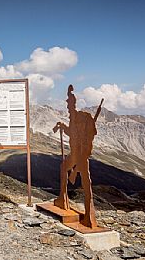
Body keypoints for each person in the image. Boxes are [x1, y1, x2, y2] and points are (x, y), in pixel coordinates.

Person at [53, 85, 103, 228]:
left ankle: (89, 214)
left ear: (73, 103)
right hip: (75, 153)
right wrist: (63, 127)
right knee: (64, 168)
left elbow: (90, 137)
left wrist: (84, 152)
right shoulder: (74, 118)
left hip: (81, 154)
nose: (67, 107)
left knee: (86, 183)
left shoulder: (83, 117)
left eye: (68, 103)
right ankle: (63, 199)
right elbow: (73, 134)